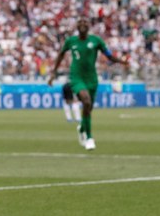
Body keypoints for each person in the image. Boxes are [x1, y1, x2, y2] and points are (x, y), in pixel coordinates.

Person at [48, 17, 128, 151]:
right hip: (76, 77)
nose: (83, 24)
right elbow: (60, 55)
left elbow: (108, 56)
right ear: (77, 26)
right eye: (80, 22)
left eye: (85, 22)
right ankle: (89, 138)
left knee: (88, 108)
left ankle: (82, 128)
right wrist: (53, 73)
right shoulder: (71, 41)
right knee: (85, 101)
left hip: (92, 78)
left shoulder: (96, 41)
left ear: (89, 25)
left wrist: (122, 62)